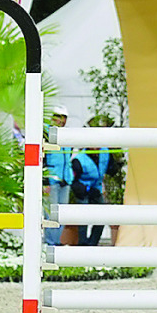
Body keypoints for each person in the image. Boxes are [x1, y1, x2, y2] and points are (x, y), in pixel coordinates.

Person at [71, 141, 114, 247]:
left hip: (97, 190)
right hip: (82, 190)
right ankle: (82, 244)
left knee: (102, 217)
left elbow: (112, 169)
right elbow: (74, 182)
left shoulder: (106, 152)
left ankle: (93, 243)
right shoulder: (79, 160)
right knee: (83, 219)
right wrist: (86, 190)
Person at [43, 106, 73, 246]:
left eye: (64, 117)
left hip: (65, 179)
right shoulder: (45, 133)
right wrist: (44, 182)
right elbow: (41, 159)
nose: (61, 120)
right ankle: (50, 243)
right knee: (51, 213)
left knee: (62, 213)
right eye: (58, 116)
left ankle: (57, 242)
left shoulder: (66, 134)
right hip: (52, 179)